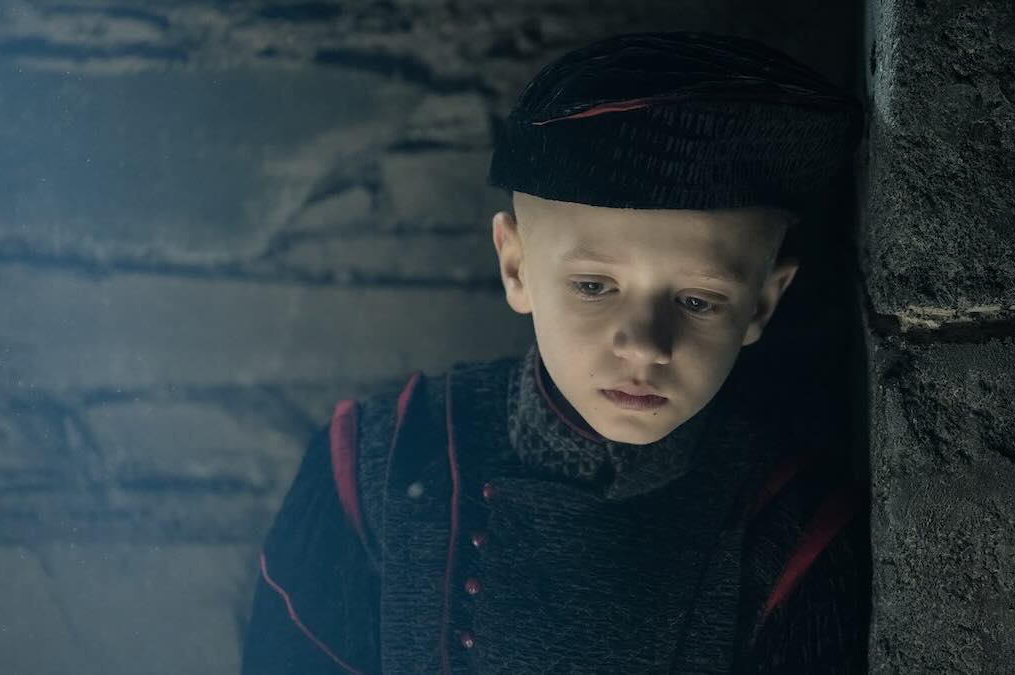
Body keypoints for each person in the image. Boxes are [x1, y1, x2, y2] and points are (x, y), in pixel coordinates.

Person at [240, 30, 868, 674]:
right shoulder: (374, 466)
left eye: (698, 300)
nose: (644, 345)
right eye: (594, 287)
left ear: (761, 303)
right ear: (516, 267)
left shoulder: (795, 533)